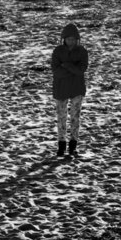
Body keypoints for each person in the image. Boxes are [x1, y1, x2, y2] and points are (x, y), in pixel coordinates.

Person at [51, 23, 89, 157]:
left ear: (77, 39)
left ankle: (73, 145)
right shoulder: (57, 51)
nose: (70, 41)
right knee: (61, 117)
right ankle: (61, 145)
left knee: (75, 117)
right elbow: (56, 71)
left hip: (76, 88)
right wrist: (73, 69)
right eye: (68, 39)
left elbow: (81, 70)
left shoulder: (82, 51)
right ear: (64, 39)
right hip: (61, 88)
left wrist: (66, 65)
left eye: (73, 39)